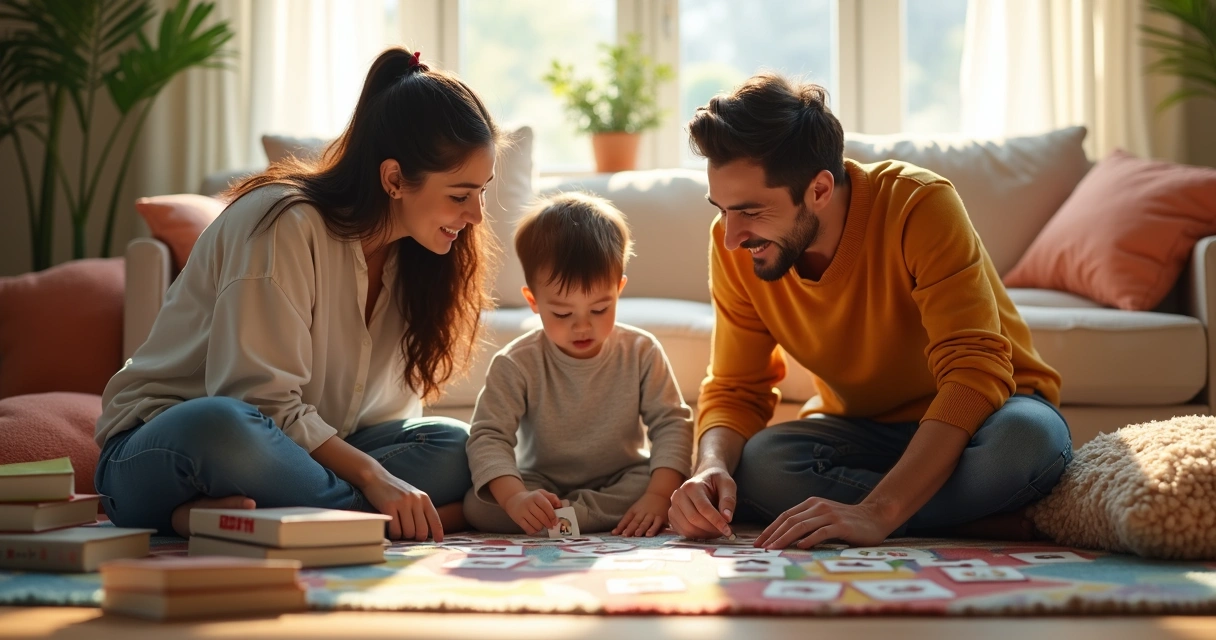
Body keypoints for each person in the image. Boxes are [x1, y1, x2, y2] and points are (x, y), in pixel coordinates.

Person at [93, 48, 501, 542]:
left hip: (294, 458)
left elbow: (375, 424)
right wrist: (374, 479)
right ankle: (358, 521)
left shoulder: (417, 258)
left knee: (455, 446)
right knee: (223, 427)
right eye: (460, 195)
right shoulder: (283, 223)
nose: (477, 215)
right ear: (394, 179)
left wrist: (376, 471)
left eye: (482, 191)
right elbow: (256, 404)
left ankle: (238, 517)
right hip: (173, 445)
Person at [668, 73, 1072, 549]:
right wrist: (709, 467)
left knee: (1028, 443)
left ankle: (893, 509)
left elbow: (973, 372)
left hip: (987, 418)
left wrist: (879, 512)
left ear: (819, 190)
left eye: (751, 212)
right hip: (862, 433)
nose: (732, 236)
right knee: (761, 464)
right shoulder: (733, 243)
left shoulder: (920, 204)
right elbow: (737, 388)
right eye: (722, 209)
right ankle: (965, 518)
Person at [463, 193, 693, 536]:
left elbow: (671, 424)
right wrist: (516, 499)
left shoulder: (642, 351)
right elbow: (488, 435)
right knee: (479, 503)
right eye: (562, 313)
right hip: (541, 481)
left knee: (657, 483)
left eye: (600, 309)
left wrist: (659, 496)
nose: (582, 326)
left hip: (622, 477)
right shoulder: (515, 362)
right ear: (533, 301)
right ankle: (571, 517)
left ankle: (564, 520)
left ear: (619, 290)